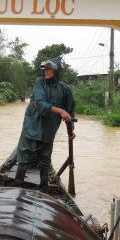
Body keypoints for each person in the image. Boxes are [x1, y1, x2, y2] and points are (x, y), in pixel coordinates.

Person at [13, 57, 76, 192]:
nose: (46, 71)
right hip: (32, 127)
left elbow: (70, 112)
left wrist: (71, 131)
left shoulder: (64, 89)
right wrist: (60, 110)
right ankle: (17, 185)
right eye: (45, 69)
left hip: (48, 130)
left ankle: (43, 188)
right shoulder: (39, 83)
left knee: (45, 160)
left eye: (49, 69)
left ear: (56, 70)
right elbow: (40, 104)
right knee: (24, 158)